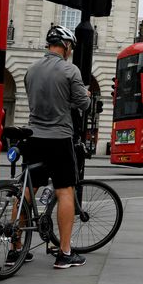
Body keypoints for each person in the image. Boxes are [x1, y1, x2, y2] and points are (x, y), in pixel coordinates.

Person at [20, 25, 90, 269]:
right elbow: (83, 103)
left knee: (28, 191)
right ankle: (65, 252)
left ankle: (15, 249)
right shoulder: (70, 70)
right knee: (65, 191)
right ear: (67, 46)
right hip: (59, 138)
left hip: (33, 136)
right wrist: (85, 94)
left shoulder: (31, 70)